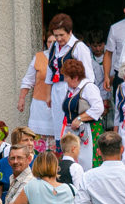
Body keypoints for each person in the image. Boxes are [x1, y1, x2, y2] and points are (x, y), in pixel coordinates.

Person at [45, 13, 94, 150]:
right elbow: (50, 71)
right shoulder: (54, 46)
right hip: (56, 90)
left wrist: (81, 95)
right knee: (59, 125)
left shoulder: (79, 47)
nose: (59, 38)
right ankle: (62, 153)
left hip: (73, 91)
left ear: (70, 32)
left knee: (71, 125)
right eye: (56, 35)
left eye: (62, 35)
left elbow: (89, 76)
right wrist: (48, 94)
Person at [61, 58, 105, 171]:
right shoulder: (71, 89)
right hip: (73, 132)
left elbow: (99, 108)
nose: (65, 80)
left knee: (87, 164)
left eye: (66, 77)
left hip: (88, 131)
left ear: (75, 77)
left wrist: (80, 118)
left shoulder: (89, 87)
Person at [18, 32, 57, 150]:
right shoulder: (38, 57)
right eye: (50, 42)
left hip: (58, 106)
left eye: (55, 42)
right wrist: (22, 98)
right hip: (40, 106)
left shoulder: (65, 58)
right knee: (38, 143)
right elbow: (28, 80)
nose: (52, 45)